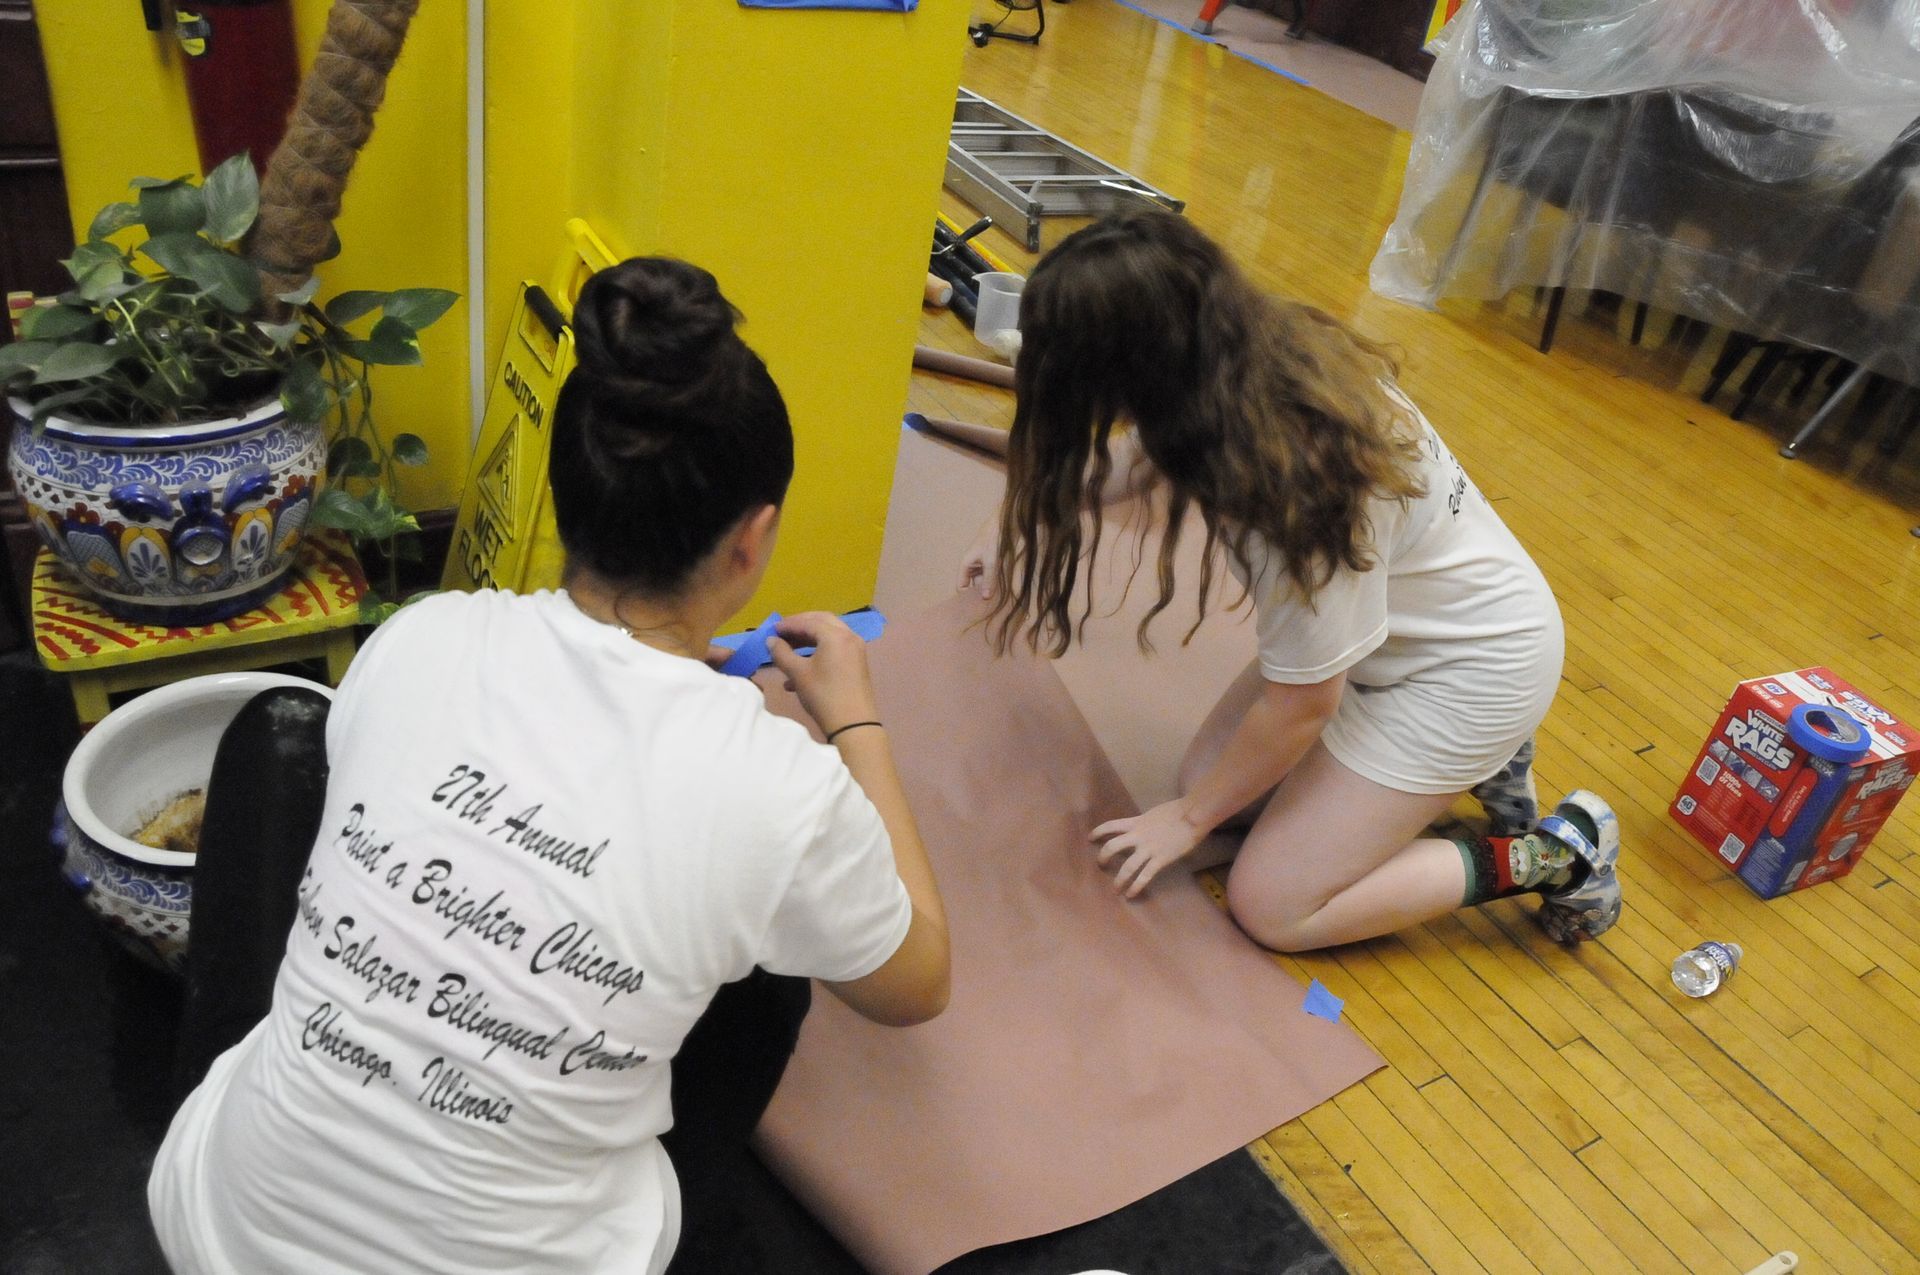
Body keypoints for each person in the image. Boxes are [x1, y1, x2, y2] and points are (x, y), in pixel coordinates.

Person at [149, 257, 951, 1273]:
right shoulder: (778, 788)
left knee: (281, 727)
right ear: (752, 543)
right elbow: (918, 982)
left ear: (565, 496)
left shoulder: (422, 637)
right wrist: (857, 727)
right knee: (770, 977)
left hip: (223, 1240)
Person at [959, 209, 1620, 953]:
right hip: (1386, 638)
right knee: (1210, 780)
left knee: (1272, 902)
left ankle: (1559, 852)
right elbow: (1135, 461)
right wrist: (1020, 517)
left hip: (1470, 672)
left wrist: (1185, 822)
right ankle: (1461, 769)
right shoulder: (1232, 360)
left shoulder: (1290, 491)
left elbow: (1303, 704)